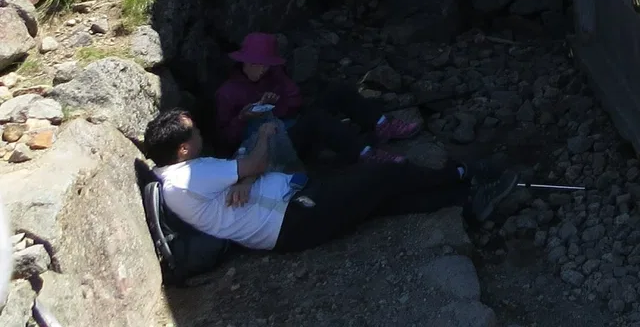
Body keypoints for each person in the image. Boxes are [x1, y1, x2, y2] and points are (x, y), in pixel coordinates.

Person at [142, 109, 516, 253]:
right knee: (383, 175)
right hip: (295, 216)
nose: (200, 134)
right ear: (182, 150)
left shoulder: (176, 179)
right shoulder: (191, 174)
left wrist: (244, 180)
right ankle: (463, 174)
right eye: (193, 133)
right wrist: (266, 134)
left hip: (287, 220)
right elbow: (255, 162)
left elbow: (239, 178)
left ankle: (468, 201)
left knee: (379, 202)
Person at [215, 33, 420, 167]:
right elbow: (226, 141)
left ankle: (381, 124)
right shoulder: (228, 93)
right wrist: (243, 117)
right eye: (257, 64)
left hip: (291, 125)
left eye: (266, 64)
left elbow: (296, 100)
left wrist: (277, 102)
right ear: (244, 62)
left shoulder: (273, 75)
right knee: (316, 120)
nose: (262, 69)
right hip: (271, 147)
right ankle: (365, 154)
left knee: (337, 91)